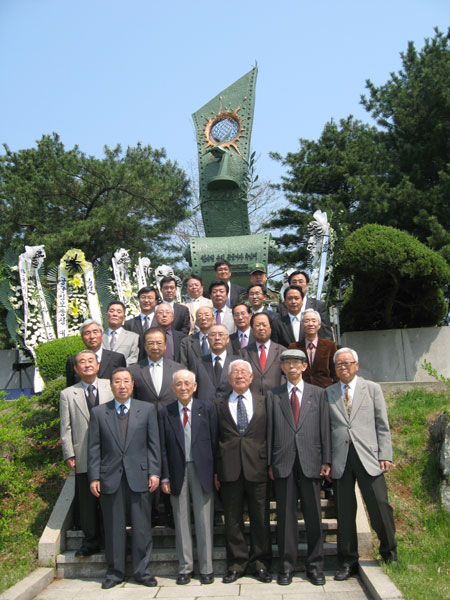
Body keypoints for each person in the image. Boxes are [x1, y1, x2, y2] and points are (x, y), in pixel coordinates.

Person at [326, 348, 397, 581]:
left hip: (369, 456)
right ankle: (348, 561)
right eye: (339, 364)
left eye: (347, 363)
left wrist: (385, 454)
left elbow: (382, 424)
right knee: (345, 512)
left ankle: (389, 553)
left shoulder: (372, 389)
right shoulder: (328, 393)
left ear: (356, 365)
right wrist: (326, 460)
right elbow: (325, 430)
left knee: (380, 506)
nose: (343, 367)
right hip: (340, 458)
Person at [88, 368, 161, 589]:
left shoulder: (146, 410)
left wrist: (154, 472)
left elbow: (154, 444)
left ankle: (142, 571)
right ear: (111, 386)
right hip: (110, 478)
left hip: (140, 476)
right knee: (113, 527)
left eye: (126, 381)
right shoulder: (99, 413)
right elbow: (94, 448)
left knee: (141, 527)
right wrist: (94, 477)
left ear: (132, 385)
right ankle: (115, 572)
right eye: (117, 381)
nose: (122, 385)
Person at [267, 349, 331, 587]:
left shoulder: (318, 394)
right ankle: (286, 567)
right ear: (282, 368)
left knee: (313, 516)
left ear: (304, 366)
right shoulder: (274, 395)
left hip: (311, 461)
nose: (291, 366)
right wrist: (270, 462)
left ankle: (315, 567)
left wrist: (326, 460)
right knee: (285, 518)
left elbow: (324, 428)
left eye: (296, 362)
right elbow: (270, 430)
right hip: (283, 462)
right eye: (287, 363)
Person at [214, 360, 272, 584]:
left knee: (260, 518)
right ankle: (237, 564)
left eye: (243, 372)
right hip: (229, 469)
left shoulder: (264, 402)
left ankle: (261, 563)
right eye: (234, 372)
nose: (239, 375)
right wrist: (216, 471)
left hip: (258, 467)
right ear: (228, 379)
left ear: (251, 377)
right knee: (232, 519)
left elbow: (270, 434)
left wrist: (270, 464)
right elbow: (214, 439)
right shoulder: (218, 404)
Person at [159, 369, 218, 585]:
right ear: (173, 388)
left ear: (195, 386)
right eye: (179, 384)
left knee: (204, 520)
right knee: (181, 519)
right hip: (177, 470)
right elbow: (162, 447)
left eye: (187, 383)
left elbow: (215, 441)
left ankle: (206, 568)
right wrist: (164, 476)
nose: (183, 387)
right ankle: (185, 568)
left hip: (203, 470)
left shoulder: (207, 408)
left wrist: (216, 472)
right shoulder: (166, 412)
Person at [60, 350, 114, 556]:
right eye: (82, 362)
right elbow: (65, 427)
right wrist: (69, 454)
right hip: (82, 453)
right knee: (87, 501)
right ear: (76, 369)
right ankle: (91, 541)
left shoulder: (111, 386)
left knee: (110, 499)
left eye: (91, 360)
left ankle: (112, 541)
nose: (87, 364)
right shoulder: (68, 394)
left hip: (110, 453)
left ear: (98, 365)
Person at [129, 327, 182, 406]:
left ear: (165, 345)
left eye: (159, 343)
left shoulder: (178, 369)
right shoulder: (133, 371)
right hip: (145, 413)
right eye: (151, 343)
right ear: (145, 346)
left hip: (170, 413)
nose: (155, 347)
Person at [66, 320, 126, 387]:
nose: (92, 336)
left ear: (102, 335)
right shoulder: (73, 361)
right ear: (82, 338)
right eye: (87, 333)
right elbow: (70, 388)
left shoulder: (117, 359)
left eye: (95, 332)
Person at [288, 309, 337, 388]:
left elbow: (335, 372)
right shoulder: (294, 347)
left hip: (324, 389)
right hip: (303, 389)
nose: (310, 324)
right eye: (307, 321)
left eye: (314, 321)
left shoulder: (330, 346)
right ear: (302, 325)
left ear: (319, 325)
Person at [241, 312, 286, 396]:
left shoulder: (282, 351)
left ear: (270, 328)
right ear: (252, 329)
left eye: (264, 325)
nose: (261, 328)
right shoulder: (243, 353)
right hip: (253, 398)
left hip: (276, 397)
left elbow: (286, 377)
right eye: (257, 325)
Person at [278, 271, 332, 339]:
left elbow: (326, 333)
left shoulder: (319, 306)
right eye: (294, 282)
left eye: (301, 282)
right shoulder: (282, 307)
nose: (297, 284)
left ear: (307, 285)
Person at [194, 324, 240, 402]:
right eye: (213, 335)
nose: (217, 338)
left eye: (221, 334)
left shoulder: (237, 362)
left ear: (228, 339)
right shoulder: (198, 363)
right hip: (205, 407)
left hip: (229, 407)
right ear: (208, 339)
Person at [124, 286, 159, 361]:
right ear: (138, 300)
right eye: (143, 297)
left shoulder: (161, 322)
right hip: (136, 364)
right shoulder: (129, 324)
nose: (146, 300)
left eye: (150, 297)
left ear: (156, 301)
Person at [102, 301, 140, 365]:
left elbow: (132, 360)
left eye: (119, 312)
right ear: (106, 315)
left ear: (124, 317)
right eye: (112, 311)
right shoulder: (99, 337)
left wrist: (118, 369)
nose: (115, 314)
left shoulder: (133, 337)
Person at [179, 306, 215, 371]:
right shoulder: (186, 342)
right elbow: (183, 365)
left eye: (207, 315)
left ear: (213, 319)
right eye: (199, 316)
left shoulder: (221, 339)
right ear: (196, 322)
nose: (203, 318)